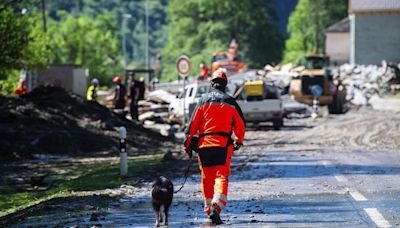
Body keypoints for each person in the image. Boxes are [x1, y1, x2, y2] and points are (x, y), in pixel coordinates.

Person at [184, 69, 246, 225]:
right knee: (221, 176)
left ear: (211, 83)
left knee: (207, 178)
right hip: (223, 147)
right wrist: (239, 140)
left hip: (204, 146)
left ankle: (209, 209)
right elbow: (240, 125)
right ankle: (216, 207)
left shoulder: (202, 100)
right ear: (225, 84)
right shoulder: (231, 102)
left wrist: (188, 144)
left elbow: (192, 125)